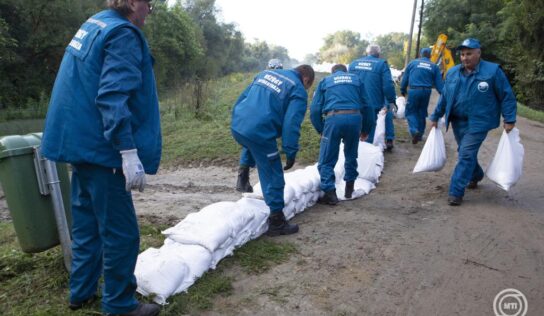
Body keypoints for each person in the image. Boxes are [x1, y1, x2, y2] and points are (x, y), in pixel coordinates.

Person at [41, 1, 161, 315]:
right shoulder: (123, 33)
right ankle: (120, 304)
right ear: (134, 2)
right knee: (121, 232)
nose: (150, 11)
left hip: (77, 144)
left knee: (86, 224)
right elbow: (112, 94)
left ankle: (81, 292)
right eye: (149, 4)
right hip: (102, 149)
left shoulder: (94, 24)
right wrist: (127, 150)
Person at [429, 38, 517, 206]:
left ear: (478, 52)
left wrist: (509, 119)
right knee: (465, 151)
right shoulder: (453, 72)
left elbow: (507, 96)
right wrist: (435, 116)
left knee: (466, 153)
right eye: (462, 54)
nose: (465, 58)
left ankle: (455, 192)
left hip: (479, 121)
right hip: (457, 120)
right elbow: (445, 97)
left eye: (469, 54)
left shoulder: (492, 72)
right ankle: (475, 175)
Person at [231, 65, 315, 236]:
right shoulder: (297, 89)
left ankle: (243, 174)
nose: (306, 88)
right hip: (259, 132)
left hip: (239, 125)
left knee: (252, 144)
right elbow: (291, 124)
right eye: (308, 85)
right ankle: (277, 221)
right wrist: (290, 151)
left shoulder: (265, 74)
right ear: (306, 79)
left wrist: (237, 119)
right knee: (273, 171)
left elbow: (242, 98)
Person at [310, 64, 374, 204]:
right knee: (351, 155)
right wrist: (366, 129)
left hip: (333, 119)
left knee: (327, 159)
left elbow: (315, 109)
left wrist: (321, 129)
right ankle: (349, 190)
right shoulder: (356, 80)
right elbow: (368, 106)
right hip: (354, 118)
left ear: (332, 72)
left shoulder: (325, 81)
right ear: (346, 72)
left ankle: (330, 194)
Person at [236, 58, 284, 192]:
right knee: (264, 150)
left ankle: (242, 177)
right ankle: (270, 188)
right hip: (265, 118)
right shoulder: (281, 82)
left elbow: (246, 95)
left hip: (250, 114)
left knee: (249, 144)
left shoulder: (260, 77)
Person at [348, 44, 397, 150]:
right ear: (378, 54)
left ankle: (353, 153)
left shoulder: (353, 63)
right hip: (372, 103)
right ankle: (364, 155)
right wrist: (391, 100)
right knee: (368, 129)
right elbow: (388, 85)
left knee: (355, 128)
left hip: (354, 103)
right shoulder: (381, 64)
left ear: (367, 53)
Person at [401, 47, 444, 144]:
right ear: (430, 55)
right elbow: (439, 84)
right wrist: (444, 95)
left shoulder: (412, 63)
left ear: (420, 54)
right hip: (426, 92)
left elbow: (405, 79)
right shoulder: (434, 66)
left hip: (414, 91)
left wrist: (403, 90)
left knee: (411, 112)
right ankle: (419, 135)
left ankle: (414, 130)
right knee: (422, 112)